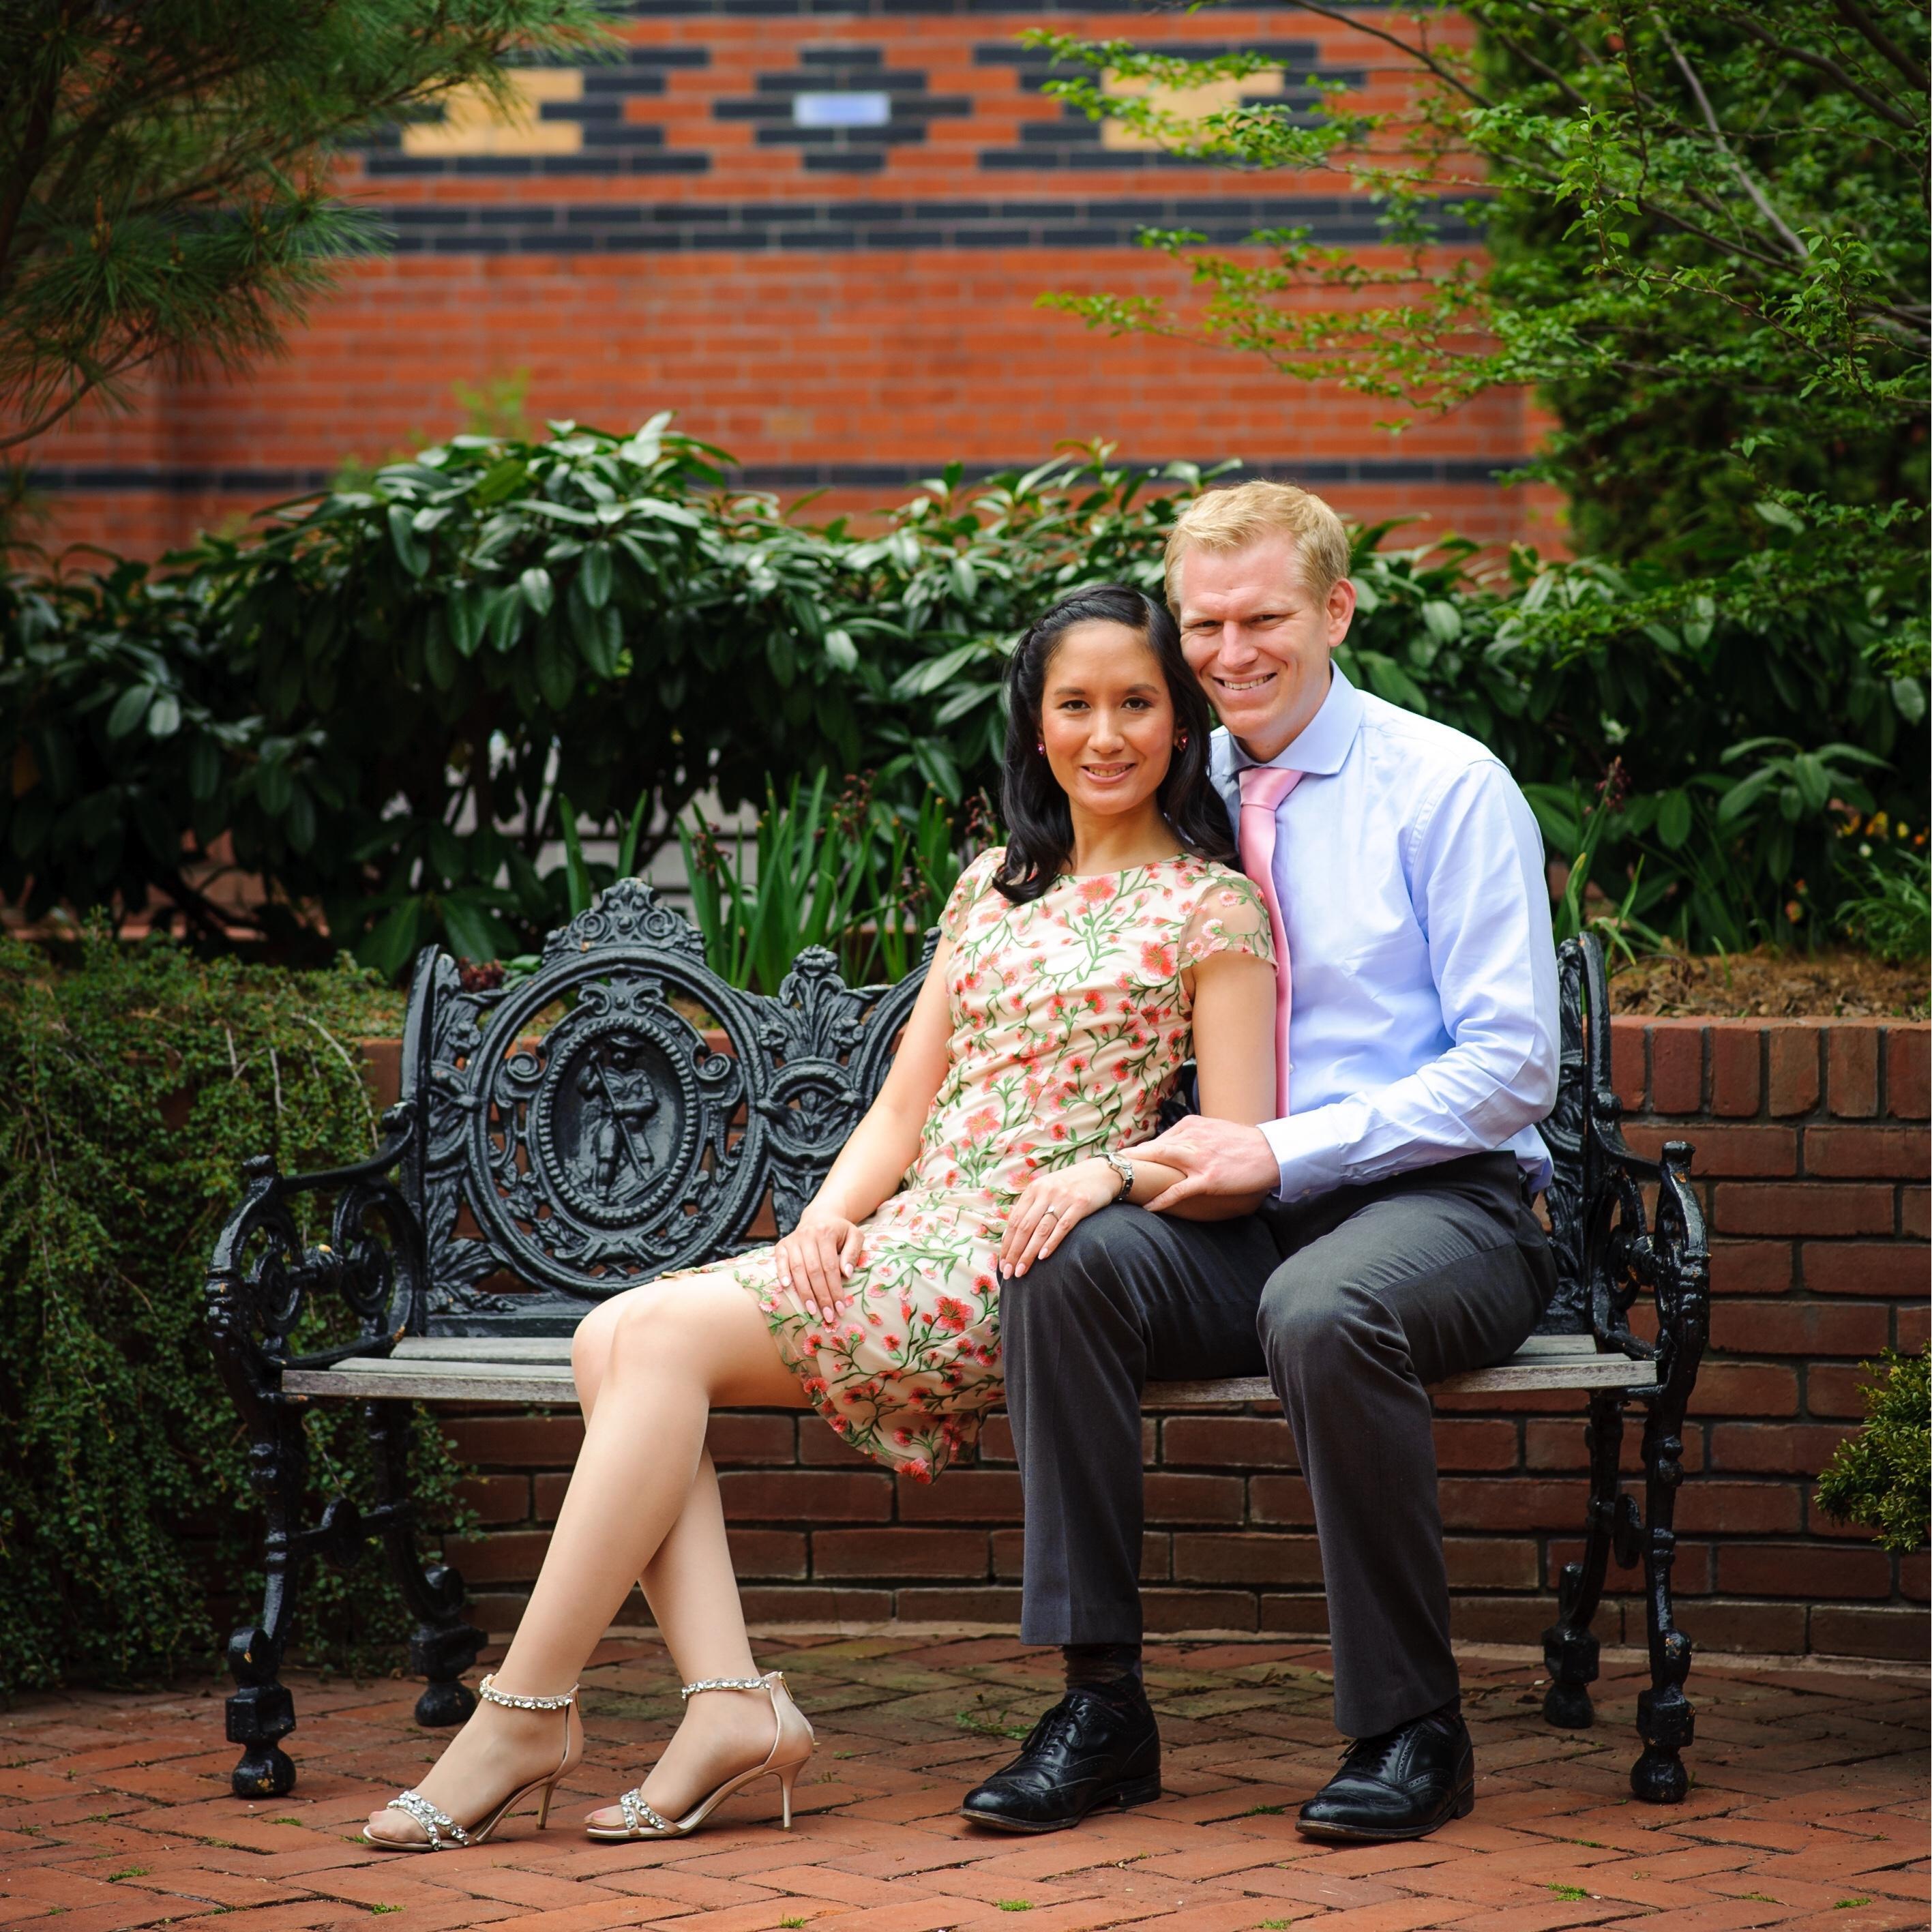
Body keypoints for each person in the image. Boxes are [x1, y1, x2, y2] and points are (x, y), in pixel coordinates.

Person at [360, 582, 1281, 1851]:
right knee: (612, 1337)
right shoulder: (989, 892)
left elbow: (1236, 1144)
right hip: (911, 1233)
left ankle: (527, 1712)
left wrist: (1111, 1170)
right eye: (1076, 703)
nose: (1107, 732)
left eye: (1139, 703)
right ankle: (727, 1707)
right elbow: (902, 1111)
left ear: (1181, 726)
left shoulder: (1213, 905)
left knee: (647, 1339)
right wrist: (823, 1220)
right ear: (1035, 725)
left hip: (1028, 1256)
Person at [963, 481, 1559, 1845]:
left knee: (1321, 1305)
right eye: (1205, 623)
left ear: (1337, 610)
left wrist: (1281, 1147)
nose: (1231, 652)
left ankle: (1413, 1729)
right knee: (1062, 1266)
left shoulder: (1444, 785)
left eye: (1265, 618)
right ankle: (1100, 1704)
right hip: (1244, 1204)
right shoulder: (1181, 778)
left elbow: (1514, 1065)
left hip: (1451, 1202)